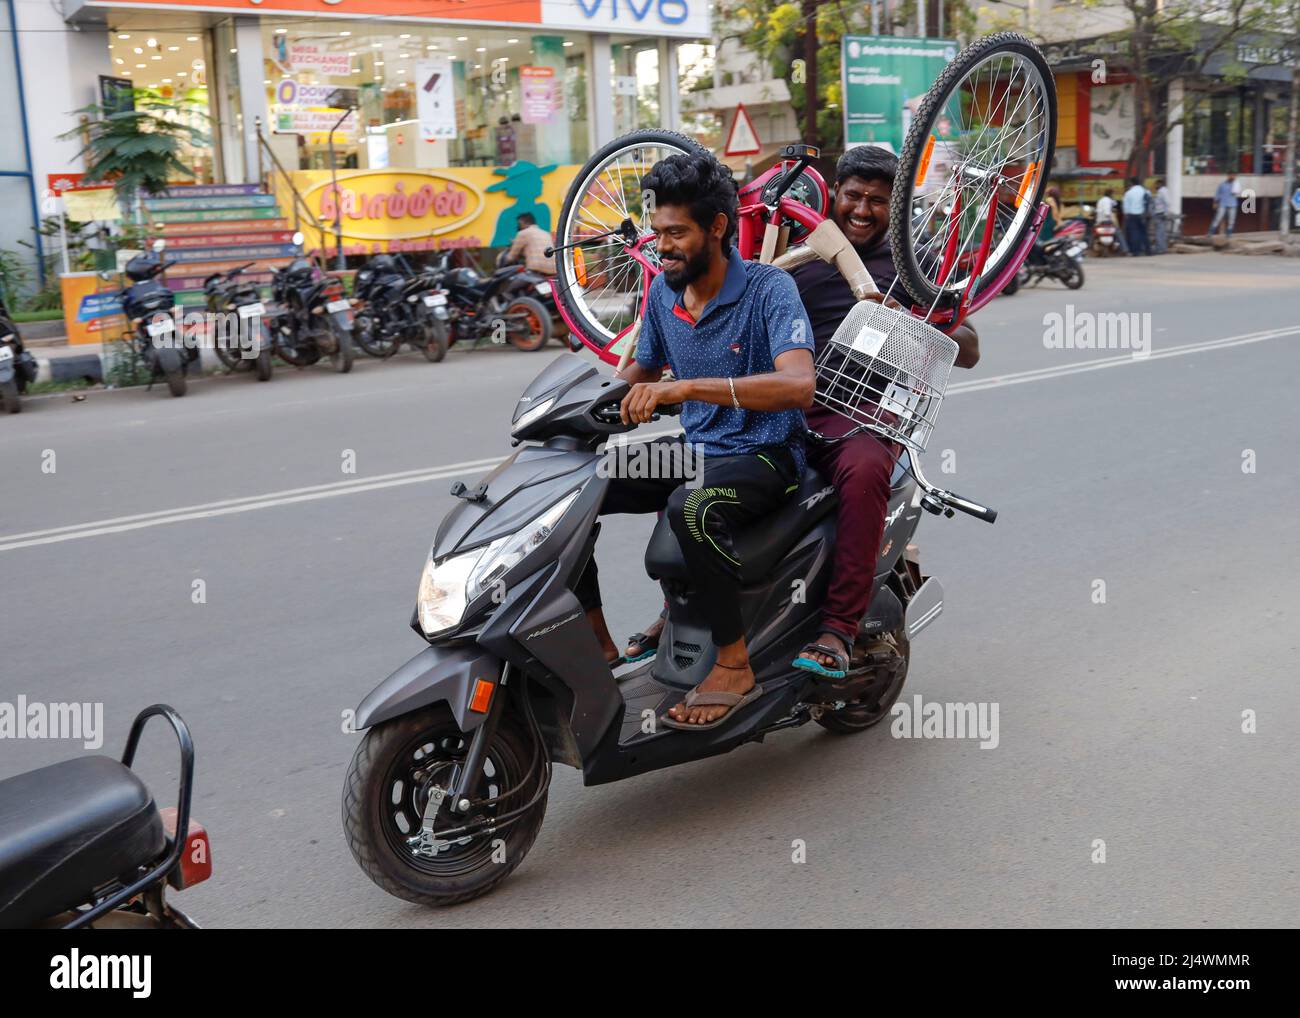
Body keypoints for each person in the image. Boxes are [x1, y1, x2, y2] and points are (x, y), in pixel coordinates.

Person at [575, 150, 817, 728]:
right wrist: (578, 414)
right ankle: (596, 643)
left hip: (765, 453)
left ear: (717, 227)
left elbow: (798, 385)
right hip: (694, 450)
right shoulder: (663, 291)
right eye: (658, 231)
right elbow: (639, 374)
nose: (662, 245)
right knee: (573, 486)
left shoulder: (768, 288)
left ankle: (734, 664)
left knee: (694, 506)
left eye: (677, 233)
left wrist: (685, 392)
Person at [785, 145, 978, 677]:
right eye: (853, 196)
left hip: (862, 412)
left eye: (877, 200)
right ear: (835, 195)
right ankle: (679, 616)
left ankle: (839, 629)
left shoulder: (913, 266)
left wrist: (911, 322)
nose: (863, 210)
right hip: (786, 404)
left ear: (893, 207)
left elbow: (970, 346)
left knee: (867, 470)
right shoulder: (799, 253)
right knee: (702, 468)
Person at [1122, 177, 1150, 255]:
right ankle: (1148, 251)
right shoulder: (1145, 191)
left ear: (1131, 183)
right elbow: (1148, 201)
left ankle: (1136, 252)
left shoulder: (1129, 193)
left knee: (1134, 233)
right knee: (1144, 233)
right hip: (1142, 215)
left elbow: (1126, 206)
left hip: (1132, 215)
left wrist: (1126, 214)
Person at [1210, 173, 1238, 238]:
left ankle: (1229, 234)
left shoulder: (1236, 184)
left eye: (1234, 176)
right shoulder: (1222, 184)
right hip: (1223, 204)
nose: (1233, 177)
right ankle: (1211, 233)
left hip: (1232, 204)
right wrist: (1215, 202)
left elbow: (1237, 192)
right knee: (1217, 218)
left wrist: (1235, 186)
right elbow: (1217, 194)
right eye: (1231, 175)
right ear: (1228, 176)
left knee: (1231, 220)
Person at [1151, 178, 1172, 253]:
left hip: (1160, 213)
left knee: (1159, 232)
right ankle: (1163, 248)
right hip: (1160, 213)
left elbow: (1167, 202)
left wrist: (1166, 213)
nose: (1155, 186)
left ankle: (1160, 249)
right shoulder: (1162, 191)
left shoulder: (1162, 191)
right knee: (1162, 232)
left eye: (1156, 184)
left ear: (1160, 184)